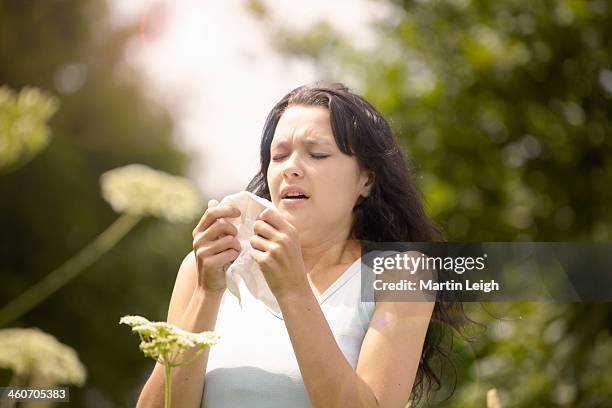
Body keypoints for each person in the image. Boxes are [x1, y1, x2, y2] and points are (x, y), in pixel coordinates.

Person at [136, 82, 467, 407]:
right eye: (278, 156)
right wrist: (207, 293)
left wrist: (293, 290)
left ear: (366, 179)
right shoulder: (203, 269)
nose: (290, 168)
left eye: (318, 154)